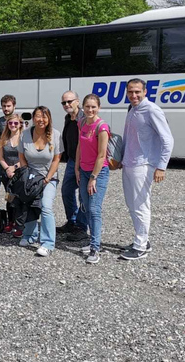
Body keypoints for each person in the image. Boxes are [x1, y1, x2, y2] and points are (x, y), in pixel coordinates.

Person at [118, 78, 174, 261]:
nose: (134, 95)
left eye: (137, 92)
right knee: (132, 204)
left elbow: (168, 140)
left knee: (141, 205)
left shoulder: (152, 110)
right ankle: (141, 240)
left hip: (143, 165)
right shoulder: (132, 110)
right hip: (129, 163)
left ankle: (141, 246)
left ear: (145, 92)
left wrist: (161, 167)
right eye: (130, 92)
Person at [18, 106, 62, 257]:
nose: (40, 120)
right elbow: (21, 156)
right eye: (37, 116)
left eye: (44, 117)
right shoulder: (25, 134)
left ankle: (48, 243)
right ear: (33, 118)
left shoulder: (56, 135)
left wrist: (47, 178)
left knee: (46, 207)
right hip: (31, 176)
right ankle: (29, 236)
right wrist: (27, 175)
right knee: (29, 204)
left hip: (49, 176)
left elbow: (57, 160)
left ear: (48, 119)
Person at [75, 94, 110, 264]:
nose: (90, 110)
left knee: (95, 209)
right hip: (84, 170)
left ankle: (96, 248)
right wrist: (77, 168)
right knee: (86, 207)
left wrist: (93, 178)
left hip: (99, 173)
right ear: (83, 107)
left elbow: (102, 155)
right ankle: (92, 241)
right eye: (87, 106)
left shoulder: (102, 127)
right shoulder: (81, 123)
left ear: (99, 108)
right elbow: (80, 146)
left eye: (93, 107)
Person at [58, 90, 88, 239]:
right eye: (64, 102)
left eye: (69, 101)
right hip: (71, 161)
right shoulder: (67, 118)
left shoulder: (85, 117)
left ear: (78, 101)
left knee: (83, 195)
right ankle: (72, 220)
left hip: (84, 162)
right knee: (66, 191)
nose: (67, 105)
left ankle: (82, 228)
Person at [0, 113, 23, 235]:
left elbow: (26, 157)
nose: (13, 125)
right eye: (10, 123)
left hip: (21, 172)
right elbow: (0, 157)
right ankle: (10, 221)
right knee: (9, 198)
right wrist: (7, 168)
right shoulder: (4, 138)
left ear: (20, 124)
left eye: (15, 123)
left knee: (20, 199)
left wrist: (15, 167)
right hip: (7, 174)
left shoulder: (24, 138)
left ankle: (20, 224)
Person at [0, 94, 16, 193]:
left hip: (15, 161)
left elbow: (21, 139)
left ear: (14, 106)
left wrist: (0, 137)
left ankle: (11, 209)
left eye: (8, 106)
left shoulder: (19, 122)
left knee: (13, 191)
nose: (6, 108)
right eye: (4, 106)